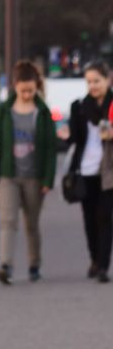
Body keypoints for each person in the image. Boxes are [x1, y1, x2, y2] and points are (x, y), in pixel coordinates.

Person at [0, 59, 57, 285]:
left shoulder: (43, 113)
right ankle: (6, 266)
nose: (26, 94)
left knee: (31, 224)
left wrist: (48, 179)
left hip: (34, 177)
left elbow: (51, 149)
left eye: (30, 90)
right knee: (8, 221)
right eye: (22, 90)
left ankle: (35, 265)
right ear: (15, 86)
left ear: (37, 87)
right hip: (8, 176)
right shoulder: (4, 112)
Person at [65, 61, 113, 282]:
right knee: (89, 221)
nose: (93, 86)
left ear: (107, 80)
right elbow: (75, 139)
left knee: (105, 219)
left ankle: (103, 266)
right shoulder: (80, 107)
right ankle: (94, 259)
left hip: (108, 172)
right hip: (85, 171)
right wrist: (67, 135)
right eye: (89, 82)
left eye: (97, 81)